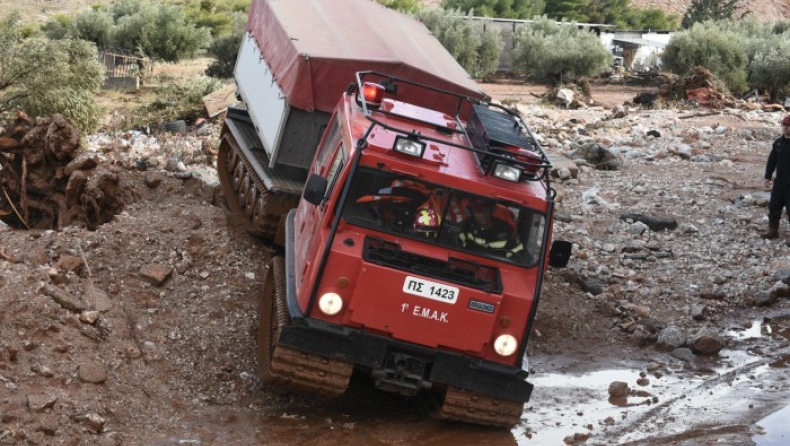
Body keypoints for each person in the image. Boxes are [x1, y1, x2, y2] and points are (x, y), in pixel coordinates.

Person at [458, 197, 524, 260]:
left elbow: (517, 256)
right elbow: (456, 245)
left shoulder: (506, 230)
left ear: (491, 211)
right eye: (479, 212)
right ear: (472, 212)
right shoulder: (467, 226)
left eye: (486, 211)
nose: (483, 215)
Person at [761, 115, 790, 239]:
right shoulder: (778, 143)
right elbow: (772, 160)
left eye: (787, 125)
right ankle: (773, 231)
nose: (785, 127)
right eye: (783, 125)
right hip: (779, 182)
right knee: (774, 206)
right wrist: (767, 177)